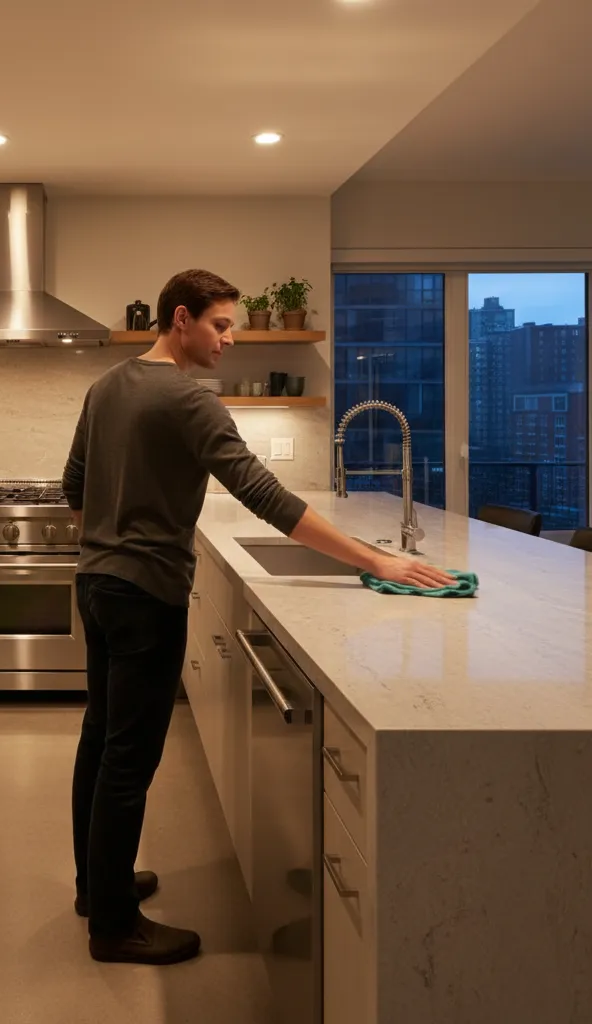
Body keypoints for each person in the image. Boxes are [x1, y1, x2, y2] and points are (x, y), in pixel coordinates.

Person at [62, 268, 453, 966]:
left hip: (96, 582)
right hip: (146, 593)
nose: (229, 338)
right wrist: (373, 560)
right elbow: (265, 496)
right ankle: (115, 929)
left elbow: (74, 488)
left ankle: (99, 886)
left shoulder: (107, 387)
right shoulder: (189, 399)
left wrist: (110, 538)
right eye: (220, 324)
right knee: (130, 755)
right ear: (180, 319)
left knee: (100, 737)